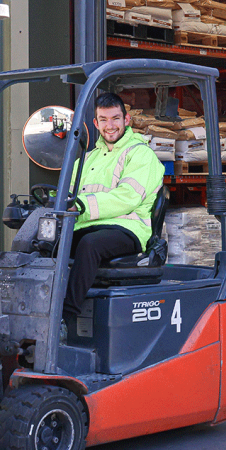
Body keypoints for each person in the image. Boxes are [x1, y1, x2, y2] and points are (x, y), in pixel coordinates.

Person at [62, 92, 165, 324]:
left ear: (126, 120)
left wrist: (82, 206)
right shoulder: (86, 159)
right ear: (96, 123)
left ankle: (65, 318)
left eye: (115, 118)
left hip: (128, 228)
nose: (110, 126)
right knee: (45, 244)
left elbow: (128, 197)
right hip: (89, 226)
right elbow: (67, 195)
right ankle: (39, 311)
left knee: (90, 245)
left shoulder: (141, 154)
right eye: (104, 120)